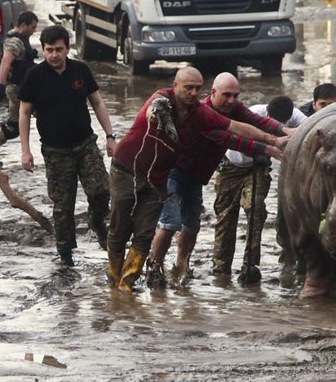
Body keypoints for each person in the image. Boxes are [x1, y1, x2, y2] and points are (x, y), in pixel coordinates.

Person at [106, 68, 279, 292]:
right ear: (175, 86)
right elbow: (154, 106)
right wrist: (154, 113)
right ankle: (118, 276)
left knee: (148, 232)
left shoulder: (200, 113)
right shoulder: (163, 99)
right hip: (130, 170)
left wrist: (275, 139)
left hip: (164, 177)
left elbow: (236, 127)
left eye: (198, 88)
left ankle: (129, 284)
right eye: (188, 87)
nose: (193, 93)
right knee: (125, 227)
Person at [147, 72, 290, 287]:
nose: (231, 100)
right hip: (173, 172)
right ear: (213, 93)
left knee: (192, 226)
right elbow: (230, 139)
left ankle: (181, 266)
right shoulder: (202, 114)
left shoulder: (236, 108)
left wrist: (285, 130)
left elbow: (256, 121)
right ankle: (154, 267)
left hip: (195, 177)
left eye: (235, 95)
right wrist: (270, 148)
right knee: (171, 222)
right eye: (226, 95)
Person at [18, 25, 115, 267]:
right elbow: (24, 112)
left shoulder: (80, 70)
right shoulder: (34, 76)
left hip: (85, 143)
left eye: (58, 50)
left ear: (67, 49)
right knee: (63, 206)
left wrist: (110, 135)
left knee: (102, 190)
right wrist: (25, 150)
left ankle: (96, 220)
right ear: (42, 50)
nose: (54, 55)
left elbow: (98, 103)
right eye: (49, 50)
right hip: (55, 150)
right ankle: (66, 255)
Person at [213, 95, 307, 281]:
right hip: (231, 167)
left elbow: (310, 130)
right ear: (267, 113)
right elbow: (235, 138)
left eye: (282, 123)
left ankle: (250, 266)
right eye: (273, 122)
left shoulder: (296, 117)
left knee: (255, 211)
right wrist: (266, 146)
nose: (277, 125)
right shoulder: (254, 114)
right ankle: (221, 268)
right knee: (226, 217)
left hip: (257, 168)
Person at [0, 11, 39, 156]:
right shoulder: (14, 41)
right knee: (14, 127)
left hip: (26, 87)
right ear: (23, 25)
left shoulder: (19, 38)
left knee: (46, 116)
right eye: (32, 27)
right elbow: (6, 62)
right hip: (16, 89)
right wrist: (1, 86)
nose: (34, 31)